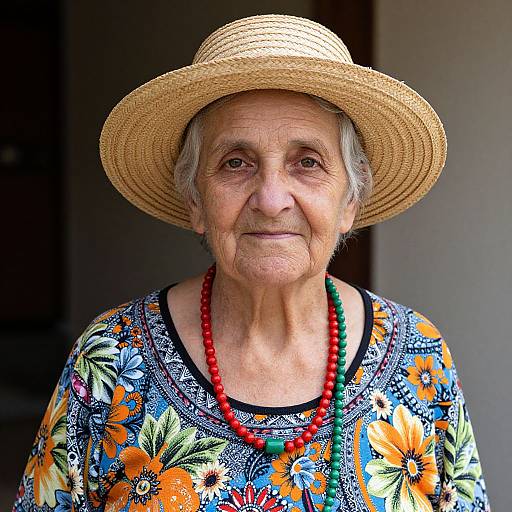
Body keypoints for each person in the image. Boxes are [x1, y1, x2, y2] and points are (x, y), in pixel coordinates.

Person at [13, 14, 490, 512]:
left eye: (307, 161)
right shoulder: (111, 357)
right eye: (235, 162)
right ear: (195, 201)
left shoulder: (419, 352)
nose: (270, 198)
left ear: (349, 201)